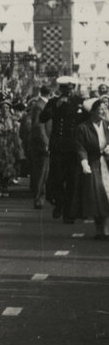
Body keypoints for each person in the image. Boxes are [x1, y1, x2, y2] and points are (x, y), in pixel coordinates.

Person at [40, 76, 84, 223]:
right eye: (65, 89)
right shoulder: (53, 102)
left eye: (70, 89)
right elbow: (42, 118)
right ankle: (59, 203)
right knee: (57, 179)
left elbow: (85, 120)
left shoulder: (79, 102)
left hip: (73, 146)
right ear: (60, 89)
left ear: (73, 89)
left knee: (72, 180)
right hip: (58, 146)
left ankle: (68, 213)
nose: (67, 92)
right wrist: (55, 107)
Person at [70, 98, 109, 239]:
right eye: (100, 109)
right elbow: (80, 147)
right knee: (98, 198)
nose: (103, 112)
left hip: (106, 163)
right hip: (93, 164)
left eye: (105, 109)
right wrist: (84, 163)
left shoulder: (106, 125)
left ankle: (106, 229)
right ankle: (100, 230)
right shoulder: (83, 128)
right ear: (92, 112)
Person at [26, 87, 52, 209]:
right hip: (40, 144)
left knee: (43, 172)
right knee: (41, 172)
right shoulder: (40, 106)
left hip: (42, 142)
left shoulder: (41, 104)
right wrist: (46, 143)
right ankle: (39, 199)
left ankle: (41, 197)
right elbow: (38, 126)